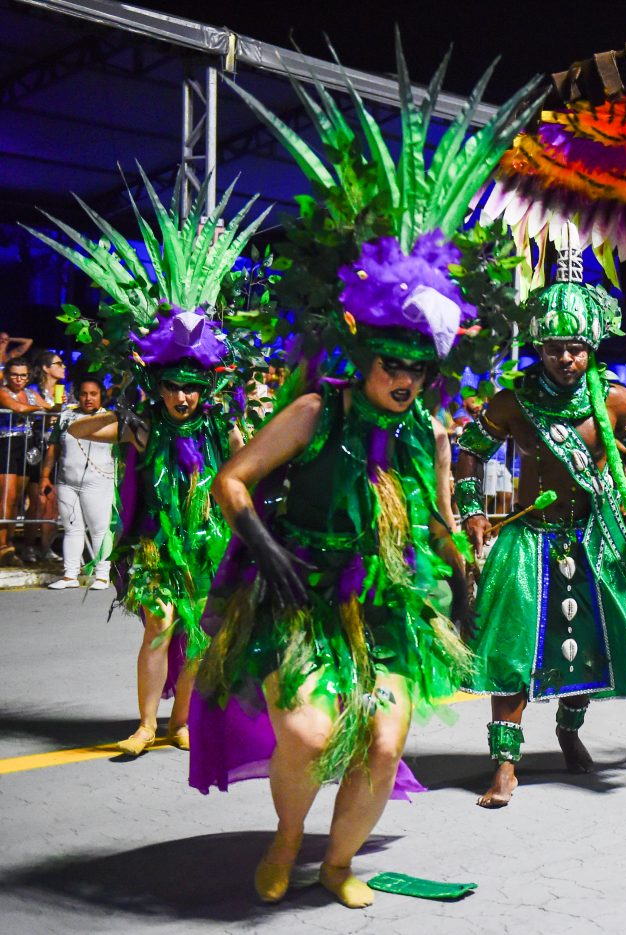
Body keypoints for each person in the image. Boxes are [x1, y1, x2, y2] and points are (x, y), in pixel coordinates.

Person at [188, 44, 541, 909]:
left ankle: (341, 863)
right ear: (363, 354)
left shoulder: (422, 427)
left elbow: (439, 509)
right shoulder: (319, 411)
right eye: (392, 365)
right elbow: (229, 481)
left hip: (386, 603)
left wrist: (456, 574)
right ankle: (286, 840)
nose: (406, 380)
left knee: (385, 742)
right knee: (310, 730)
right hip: (300, 591)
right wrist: (263, 545)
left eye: (418, 368)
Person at [26, 175, 269, 758]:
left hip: (207, 542)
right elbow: (78, 429)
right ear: (159, 387)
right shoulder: (145, 425)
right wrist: (126, 410)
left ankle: (181, 721)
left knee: (200, 634)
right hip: (157, 545)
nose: (181, 399)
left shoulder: (217, 425)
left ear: (203, 388)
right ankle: (142, 724)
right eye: (172, 389)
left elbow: (247, 466)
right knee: (160, 625)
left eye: (190, 389)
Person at [456, 248, 626, 808]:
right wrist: (474, 510)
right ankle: (505, 765)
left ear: (592, 348)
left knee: (587, 649)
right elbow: (469, 453)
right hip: (527, 540)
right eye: (556, 348)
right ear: (540, 348)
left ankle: (567, 729)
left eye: (577, 348)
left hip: (594, 540)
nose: (567, 359)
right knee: (513, 654)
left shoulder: (615, 398)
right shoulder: (513, 402)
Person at [44, 377, 115, 589]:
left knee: (99, 529)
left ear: (101, 395)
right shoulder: (66, 416)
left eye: (93, 394)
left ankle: (102, 575)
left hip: (98, 481)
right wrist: (45, 476)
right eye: (84, 393)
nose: (88, 398)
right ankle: (70, 576)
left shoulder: (109, 418)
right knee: (71, 529)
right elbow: (53, 448)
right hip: (67, 482)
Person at [0, 357, 53, 565]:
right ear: (6, 375)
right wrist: (43, 409)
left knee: (17, 501)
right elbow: (18, 409)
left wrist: (49, 408)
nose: (19, 379)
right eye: (14, 374)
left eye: (23, 375)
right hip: (6, 444)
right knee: (6, 496)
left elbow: (50, 410)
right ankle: (3, 546)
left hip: (26, 445)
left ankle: (10, 543)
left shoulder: (31, 393)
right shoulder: (3, 391)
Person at [22, 350, 67, 561]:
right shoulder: (32, 391)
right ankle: (28, 546)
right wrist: (56, 408)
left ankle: (46, 547)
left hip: (58, 450)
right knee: (38, 500)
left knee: (53, 502)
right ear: (47, 368)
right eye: (58, 363)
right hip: (37, 450)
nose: (63, 366)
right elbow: (42, 412)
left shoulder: (64, 391)